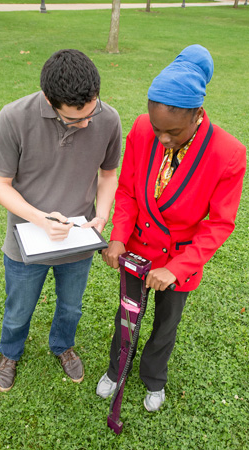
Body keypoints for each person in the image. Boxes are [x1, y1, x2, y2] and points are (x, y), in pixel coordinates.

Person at [96, 45, 246, 412]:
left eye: (172, 132)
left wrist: (175, 269)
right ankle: (118, 369)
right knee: (127, 314)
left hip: (179, 260)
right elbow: (129, 189)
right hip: (136, 248)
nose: (162, 139)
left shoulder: (229, 154)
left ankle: (154, 378)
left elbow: (219, 224)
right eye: (156, 129)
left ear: (198, 115)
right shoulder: (143, 127)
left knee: (166, 323)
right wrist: (118, 237)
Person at [0, 49, 122, 392]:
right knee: (18, 309)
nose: (88, 122)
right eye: (76, 119)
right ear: (49, 101)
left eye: (93, 110)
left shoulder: (108, 118)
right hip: (25, 240)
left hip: (78, 241)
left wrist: (102, 214)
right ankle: (10, 352)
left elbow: (108, 175)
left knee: (71, 308)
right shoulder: (13, 118)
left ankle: (63, 346)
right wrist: (39, 219)